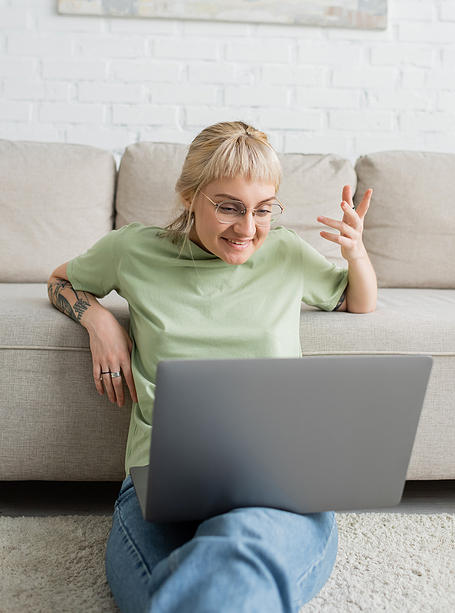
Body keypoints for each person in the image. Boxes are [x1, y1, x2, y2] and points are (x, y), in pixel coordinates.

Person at [47, 121, 377, 613]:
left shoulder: (284, 251)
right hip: (160, 477)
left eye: (263, 210)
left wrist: (356, 253)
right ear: (189, 196)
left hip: (276, 479)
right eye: (228, 207)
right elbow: (60, 281)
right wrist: (98, 319)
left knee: (234, 548)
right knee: (226, 582)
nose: (248, 229)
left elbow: (357, 301)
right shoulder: (132, 249)